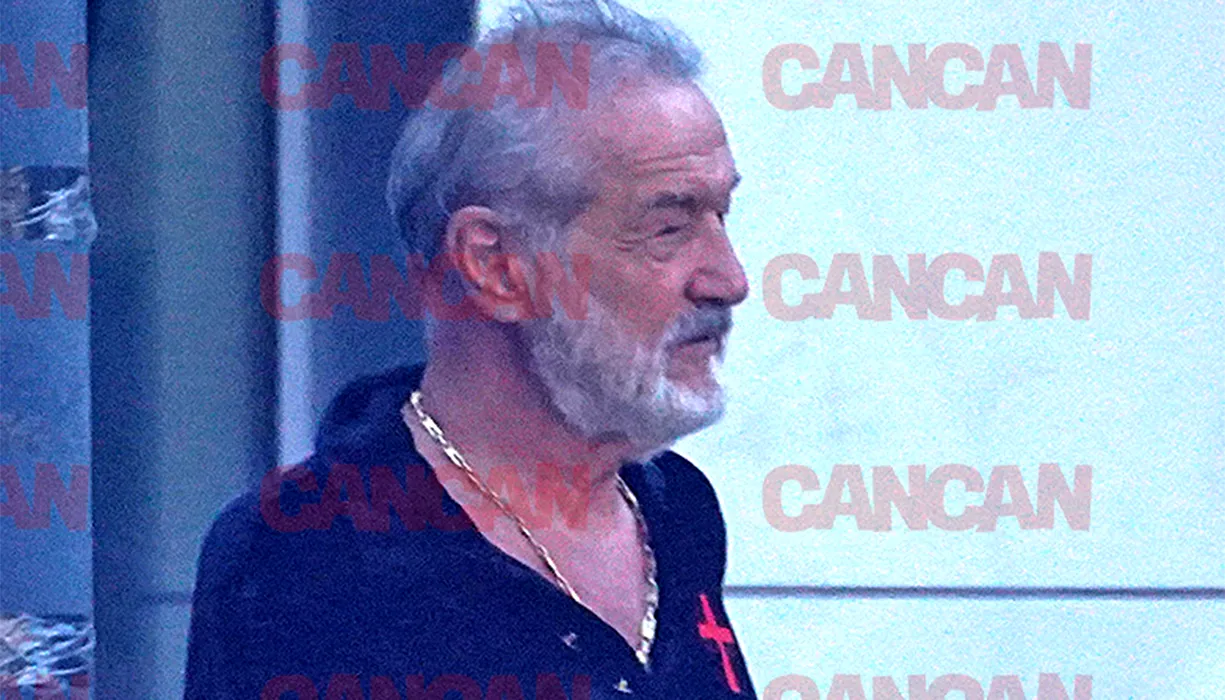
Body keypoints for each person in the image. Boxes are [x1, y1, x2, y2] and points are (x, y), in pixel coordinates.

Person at [184, 2, 755, 698]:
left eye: (721, 216)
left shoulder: (675, 511)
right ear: (495, 265)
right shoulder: (306, 557)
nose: (729, 279)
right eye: (668, 229)